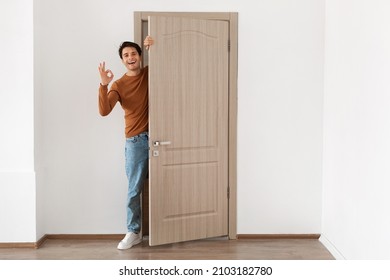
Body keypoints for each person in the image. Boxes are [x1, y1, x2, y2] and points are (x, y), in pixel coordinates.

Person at [98, 36, 153, 250]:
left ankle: (167, 229)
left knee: (163, 185)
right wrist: (104, 85)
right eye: (126, 55)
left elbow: (168, 62)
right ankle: (133, 231)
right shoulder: (119, 84)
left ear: (140, 56)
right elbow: (104, 111)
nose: (130, 58)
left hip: (158, 139)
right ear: (122, 61)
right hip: (136, 142)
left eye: (134, 53)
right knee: (134, 190)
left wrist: (154, 46)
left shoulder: (150, 73)